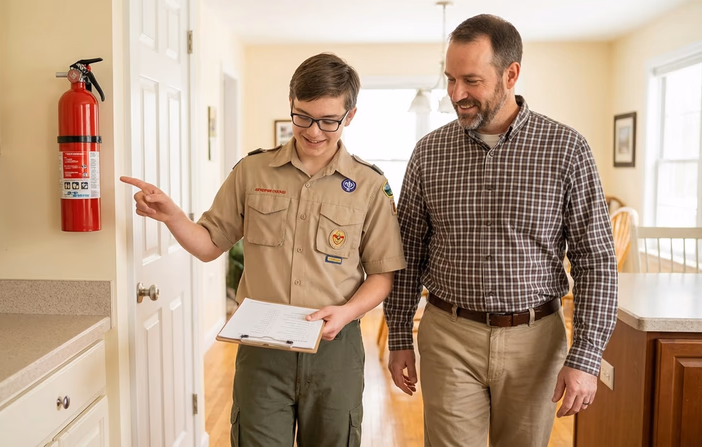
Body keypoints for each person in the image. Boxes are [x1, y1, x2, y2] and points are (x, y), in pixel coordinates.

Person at [122, 53, 406, 446]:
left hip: (334, 351)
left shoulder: (369, 185)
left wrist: (347, 312)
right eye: (303, 116)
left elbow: (382, 274)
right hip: (260, 350)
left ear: (350, 115)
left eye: (328, 121)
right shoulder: (252, 172)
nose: (314, 131)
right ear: (291, 103)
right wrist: (172, 216)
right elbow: (208, 246)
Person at [384, 14, 618, 447]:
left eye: (470, 80)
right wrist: (399, 335)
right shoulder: (429, 152)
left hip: (537, 342)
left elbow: (596, 259)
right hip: (448, 335)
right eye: (450, 79)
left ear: (511, 74)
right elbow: (407, 250)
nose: (456, 94)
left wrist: (585, 357)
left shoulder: (566, 149)